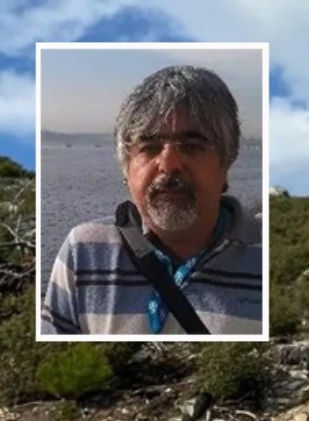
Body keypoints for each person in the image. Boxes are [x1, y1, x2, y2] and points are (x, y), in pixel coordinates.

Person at [41, 65, 261, 335]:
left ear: (225, 165)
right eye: (150, 147)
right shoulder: (84, 252)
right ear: (126, 169)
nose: (168, 164)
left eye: (193, 146)